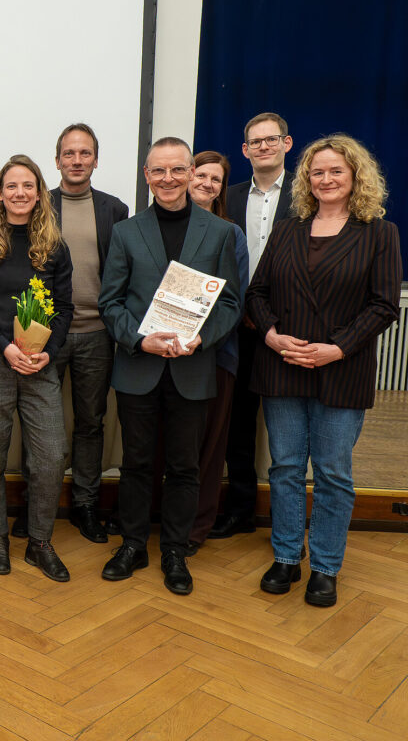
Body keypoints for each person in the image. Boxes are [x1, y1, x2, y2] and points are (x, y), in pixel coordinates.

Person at [248, 134, 401, 607]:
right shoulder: (288, 229)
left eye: (336, 171)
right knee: (286, 468)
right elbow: (257, 293)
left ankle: (327, 567)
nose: (326, 179)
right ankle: (287, 557)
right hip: (284, 368)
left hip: (341, 370)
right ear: (306, 180)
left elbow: (383, 305)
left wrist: (337, 349)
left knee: (333, 473)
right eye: (317, 172)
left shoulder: (379, 232)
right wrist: (271, 334)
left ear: (356, 176)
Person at [98, 137, 241, 595]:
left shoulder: (219, 232)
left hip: (192, 367)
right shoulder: (126, 231)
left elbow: (231, 302)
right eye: (158, 171)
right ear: (146, 176)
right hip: (140, 366)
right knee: (136, 463)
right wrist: (142, 340)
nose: (168, 179)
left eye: (177, 170)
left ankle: (175, 551)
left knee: (184, 467)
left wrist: (202, 339)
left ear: (191, 173)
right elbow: (111, 303)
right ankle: (134, 544)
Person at [0, 155, 73, 580]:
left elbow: (63, 309)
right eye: (12, 186)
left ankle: (39, 542)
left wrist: (49, 352)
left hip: (40, 363)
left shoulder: (54, 246)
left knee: (50, 458)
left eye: (29, 186)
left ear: (40, 193)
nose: (20, 193)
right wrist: (5, 346)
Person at [20, 123, 128, 543]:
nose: (77, 161)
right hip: (44, 334)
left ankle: (85, 504)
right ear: (57, 160)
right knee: (38, 424)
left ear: (96, 160)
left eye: (85, 154)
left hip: (97, 334)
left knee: (90, 423)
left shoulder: (114, 210)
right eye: (69, 154)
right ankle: (34, 504)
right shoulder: (37, 204)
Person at [211, 113, 295, 539]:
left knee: (287, 430)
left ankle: (288, 519)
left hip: (290, 331)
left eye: (271, 140)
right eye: (254, 142)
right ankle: (241, 510)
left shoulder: (307, 197)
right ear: (244, 150)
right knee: (238, 424)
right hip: (239, 327)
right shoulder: (230, 196)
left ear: (287, 143)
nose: (263, 147)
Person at [184, 151, 249, 552]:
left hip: (214, 355)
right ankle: (160, 517)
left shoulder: (231, 234)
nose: (207, 183)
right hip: (162, 352)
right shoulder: (150, 226)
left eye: (216, 179)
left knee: (208, 450)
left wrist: (199, 340)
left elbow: (233, 300)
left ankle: (196, 527)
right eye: (201, 174)